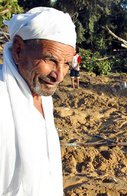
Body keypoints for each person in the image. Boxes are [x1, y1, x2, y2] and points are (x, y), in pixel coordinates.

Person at [0, 7, 76, 196]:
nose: (58, 76)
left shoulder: (40, 95)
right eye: (50, 60)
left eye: (66, 64)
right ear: (18, 50)